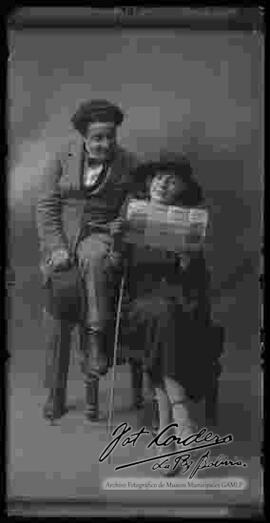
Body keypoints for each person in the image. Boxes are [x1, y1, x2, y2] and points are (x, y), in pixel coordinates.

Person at [118, 153, 223, 476]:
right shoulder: (131, 215)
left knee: (168, 321)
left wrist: (188, 260)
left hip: (178, 312)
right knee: (163, 318)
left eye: (172, 179)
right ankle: (182, 418)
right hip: (137, 310)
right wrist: (114, 243)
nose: (163, 183)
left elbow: (197, 288)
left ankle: (167, 440)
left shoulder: (188, 223)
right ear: (148, 182)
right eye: (158, 177)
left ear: (182, 189)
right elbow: (115, 276)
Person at [36, 99, 140, 420]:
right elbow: (46, 207)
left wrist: (122, 225)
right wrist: (55, 247)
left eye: (110, 137)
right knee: (60, 304)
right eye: (97, 138)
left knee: (95, 258)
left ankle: (96, 341)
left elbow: (134, 205)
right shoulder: (60, 159)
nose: (104, 144)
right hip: (64, 244)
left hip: (101, 237)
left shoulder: (129, 163)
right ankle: (55, 394)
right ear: (83, 136)